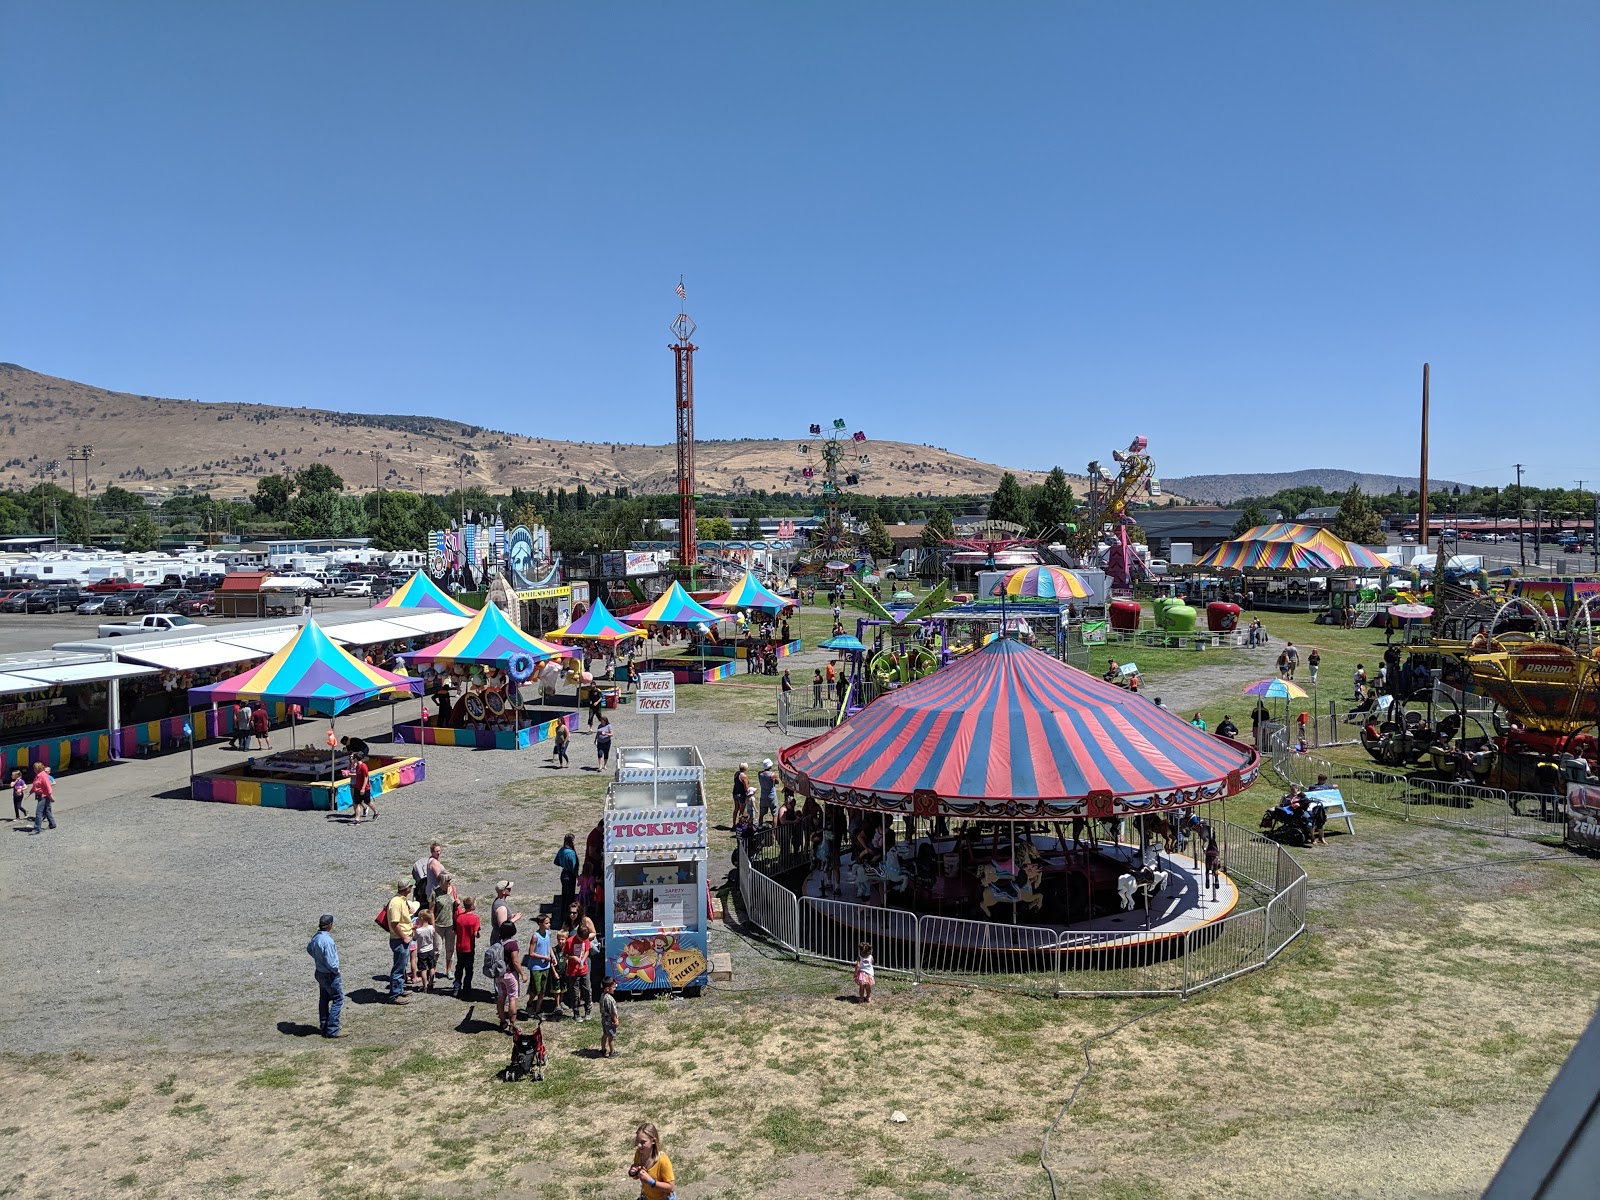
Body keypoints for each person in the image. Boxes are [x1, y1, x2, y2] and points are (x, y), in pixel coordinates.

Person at [306, 913, 343, 1038]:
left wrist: (318, 959)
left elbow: (309, 949)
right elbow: (332, 963)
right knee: (338, 999)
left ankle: (324, 1024)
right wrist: (336, 971)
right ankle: (332, 1029)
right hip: (329, 975)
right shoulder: (328, 941)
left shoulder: (316, 937)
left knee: (324, 999)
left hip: (319, 972)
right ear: (330, 925)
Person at [384, 882, 415, 1004]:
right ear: (406, 888)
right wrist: (404, 937)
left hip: (403, 937)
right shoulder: (396, 902)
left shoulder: (401, 900)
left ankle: (399, 988)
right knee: (398, 967)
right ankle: (394, 995)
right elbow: (394, 923)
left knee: (402, 966)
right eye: (410, 887)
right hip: (400, 939)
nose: (411, 888)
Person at [628, 1123, 675, 1199]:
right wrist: (633, 1172)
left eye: (643, 1142)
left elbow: (671, 1187)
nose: (639, 1145)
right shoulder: (639, 1154)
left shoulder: (662, 1160)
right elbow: (637, 1176)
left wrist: (650, 1181)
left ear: (653, 1141)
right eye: (637, 1141)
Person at [524, 912, 557, 1018]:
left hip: (546, 966)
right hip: (536, 967)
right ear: (540, 924)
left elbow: (549, 947)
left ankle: (538, 1011)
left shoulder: (548, 933)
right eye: (547, 923)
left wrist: (553, 957)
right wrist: (544, 957)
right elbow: (531, 953)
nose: (549, 925)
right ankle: (530, 1003)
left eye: (549, 922)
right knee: (535, 989)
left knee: (542, 990)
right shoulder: (535, 936)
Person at [562, 920, 593, 1021]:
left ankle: (588, 1011)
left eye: (584, 939)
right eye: (580, 938)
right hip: (573, 971)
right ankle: (576, 1013)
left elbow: (587, 950)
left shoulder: (585, 939)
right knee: (575, 993)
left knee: (587, 990)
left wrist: (583, 959)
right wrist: (573, 958)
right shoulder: (569, 941)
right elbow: (565, 954)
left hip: (584, 969)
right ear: (577, 934)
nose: (582, 941)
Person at [453, 896, 480, 1000]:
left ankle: (456, 987)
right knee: (469, 969)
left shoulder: (459, 917)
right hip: (469, 947)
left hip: (459, 946)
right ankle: (467, 988)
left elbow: (455, 930)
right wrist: (478, 934)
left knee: (459, 967)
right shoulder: (475, 919)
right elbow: (475, 933)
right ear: (472, 906)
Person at [432, 872, 458, 981]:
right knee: (437, 949)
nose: (450, 883)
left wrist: (456, 904)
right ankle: (432, 971)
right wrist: (432, 926)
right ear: (442, 882)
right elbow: (431, 911)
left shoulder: (453, 890)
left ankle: (449, 970)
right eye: (448, 881)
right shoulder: (435, 893)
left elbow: (454, 906)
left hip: (451, 925)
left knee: (450, 949)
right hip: (438, 925)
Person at [495, 942, 521, 1033]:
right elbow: (515, 961)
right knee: (512, 998)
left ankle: (502, 1022)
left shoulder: (499, 943)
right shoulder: (512, 944)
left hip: (499, 975)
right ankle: (512, 1025)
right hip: (510, 975)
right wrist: (522, 974)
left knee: (501, 997)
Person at [554, 833, 580, 914]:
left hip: (563, 873)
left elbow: (556, 862)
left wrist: (563, 864)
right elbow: (574, 866)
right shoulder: (571, 852)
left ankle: (563, 914)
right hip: (570, 875)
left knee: (564, 895)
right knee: (570, 897)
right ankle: (569, 914)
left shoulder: (561, 850)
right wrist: (577, 875)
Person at [414, 909, 438, 992]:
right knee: (431, 967)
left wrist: (413, 930)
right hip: (430, 950)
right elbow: (433, 934)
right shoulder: (431, 928)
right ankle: (431, 983)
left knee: (423, 969)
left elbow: (414, 938)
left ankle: (424, 986)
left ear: (421, 918)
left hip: (422, 951)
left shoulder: (418, 931)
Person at [28, 764, 55, 834]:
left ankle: (37, 828)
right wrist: (29, 793)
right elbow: (35, 785)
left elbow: (48, 785)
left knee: (39, 812)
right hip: (41, 795)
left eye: (35, 769)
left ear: (38, 768)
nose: (34, 770)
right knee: (47, 810)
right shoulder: (38, 775)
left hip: (43, 796)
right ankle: (52, 824)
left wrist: (50, 796)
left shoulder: (42, 775)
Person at [349, 753, 375, 824]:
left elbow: (366, 777)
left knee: (368, 802)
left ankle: (376, 812)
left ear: (356, 759)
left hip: (365, 788)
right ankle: (357, 819)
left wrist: (363, 788)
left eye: (353, 758)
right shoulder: (357, 766)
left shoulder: (363, 766)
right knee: (356, 803)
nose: (351, 759)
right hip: (357, 787)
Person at [600, 976, 620, 1058]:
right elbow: (612, 1012)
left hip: (604, 1020)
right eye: (613, 987)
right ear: (608, 989)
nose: (614, 988)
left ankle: (603, 1049)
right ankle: (612, 1052)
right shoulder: (610, 999)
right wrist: (615, 1021)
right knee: (611, 1036)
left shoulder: (602, 996)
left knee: (605, 1034)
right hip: (610, 1021)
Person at [757, 759, 779, 826]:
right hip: (772, 796)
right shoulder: (772, 775)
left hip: (763, 796)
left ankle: (760, 827)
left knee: (761, 814)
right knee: (775, 814)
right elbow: (777, 782)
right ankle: (773, 832)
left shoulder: (760, 774)